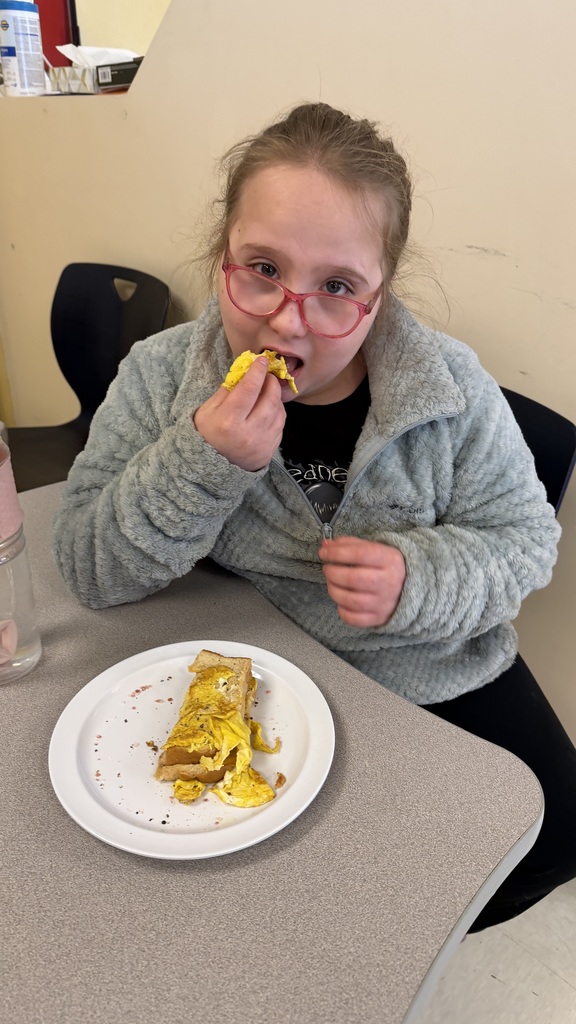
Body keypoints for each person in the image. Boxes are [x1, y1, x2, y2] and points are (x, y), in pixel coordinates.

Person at [53, 101, 576, 930]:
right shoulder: (160, 377)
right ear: (221, 255)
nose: (288, 318)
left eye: (336, 287)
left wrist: (419, 576)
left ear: (381, 292)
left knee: (555, 832)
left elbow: (525, 543)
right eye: (261, 267)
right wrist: (204, 458)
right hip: (264, 661)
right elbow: (87, 563)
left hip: (428, 663)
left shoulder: (452, 387)